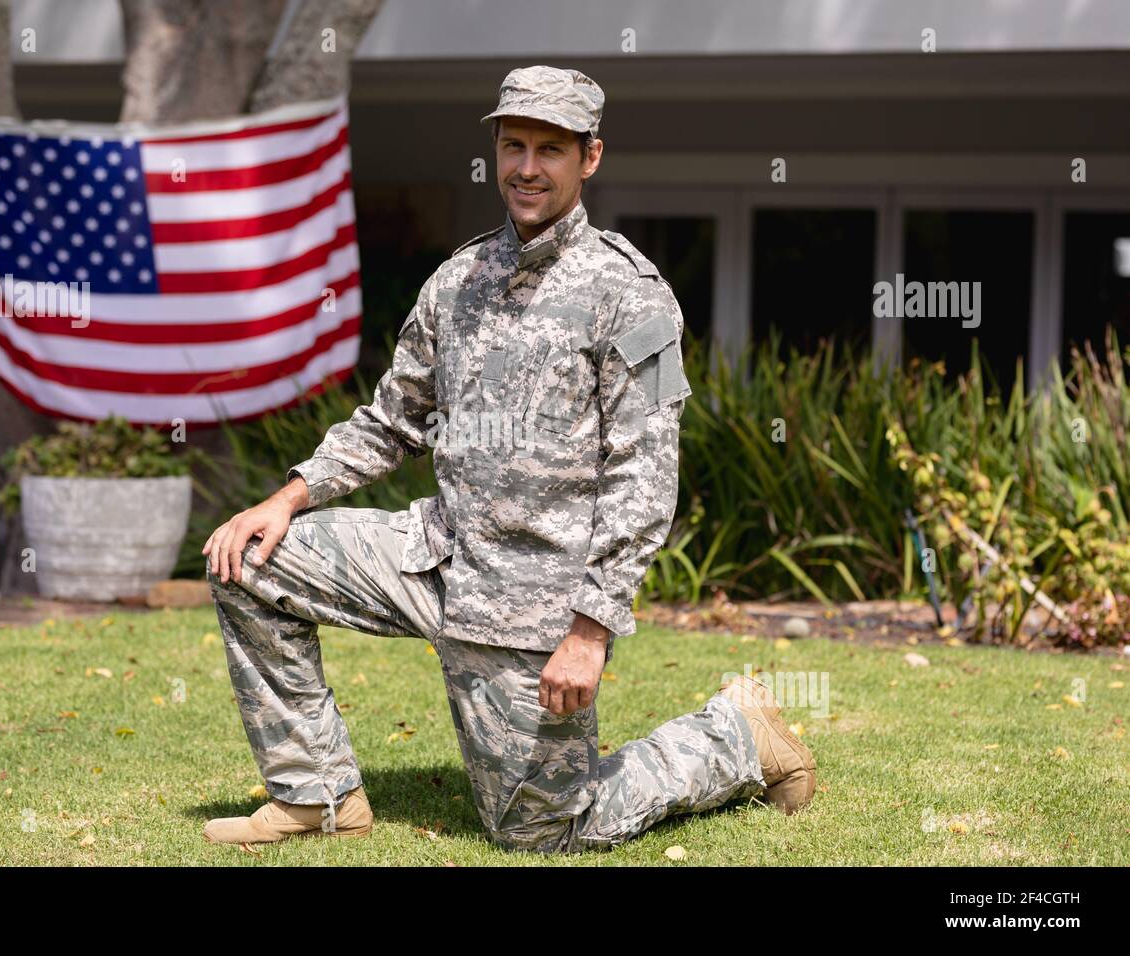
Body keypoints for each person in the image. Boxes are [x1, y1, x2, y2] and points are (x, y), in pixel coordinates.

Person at [200, 65, 816, 854]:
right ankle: (316, 795)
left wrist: (590, 632)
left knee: (542, 830)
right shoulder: (457, 280)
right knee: (246, 562)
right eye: (514, 145)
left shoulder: (633, 296)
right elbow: (393, 419)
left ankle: (735, 735)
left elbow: (645, 474)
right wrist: (288, 497)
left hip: (536, 604)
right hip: (436, 557)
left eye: (550, 149)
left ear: (589, 158)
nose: (528, 167)